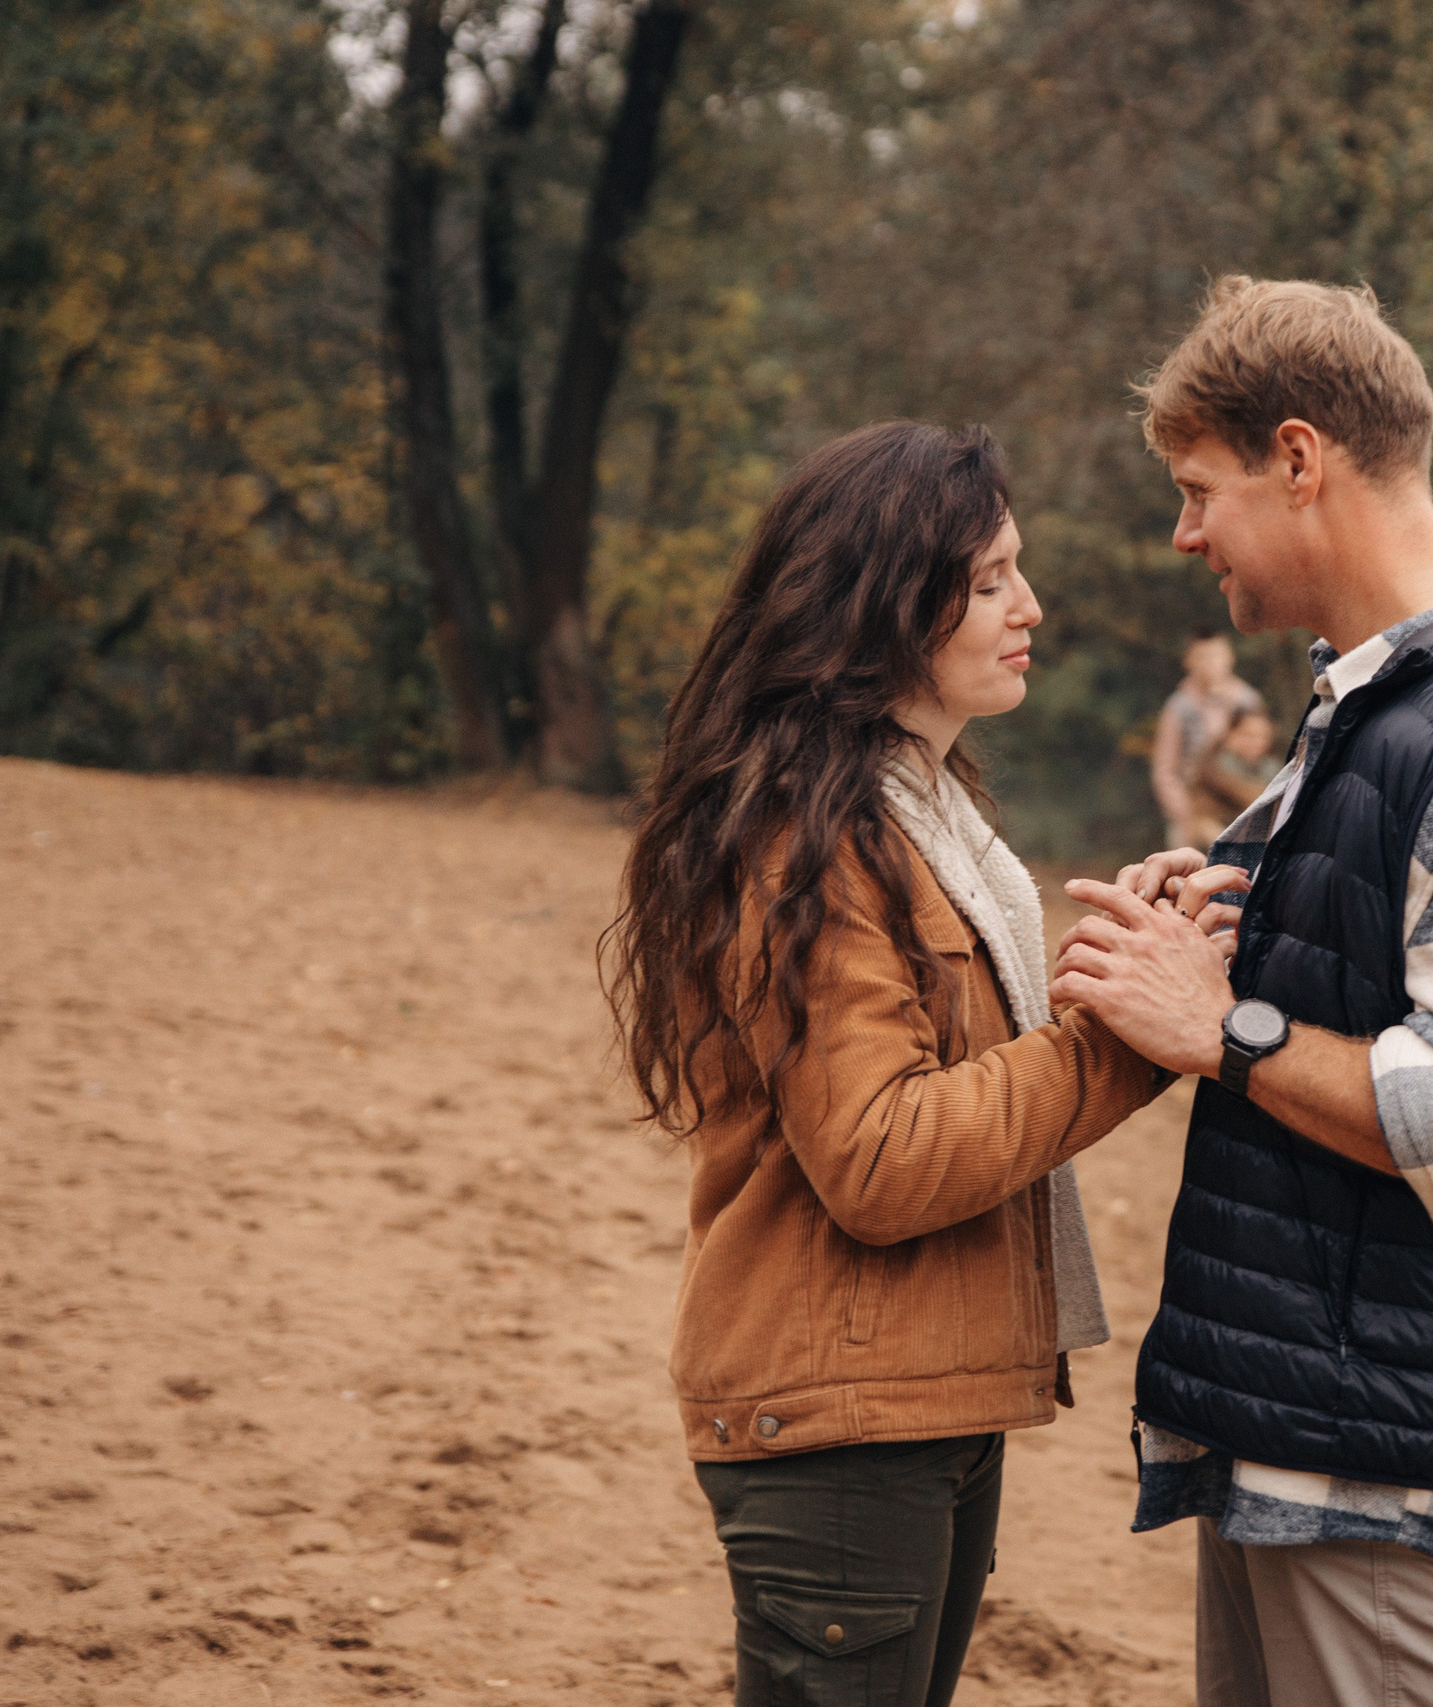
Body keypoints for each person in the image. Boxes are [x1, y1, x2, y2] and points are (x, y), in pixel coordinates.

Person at [1048, 277, 1433, 1707]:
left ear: (1302, 460)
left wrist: (1227, 1027)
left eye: (1202, 488)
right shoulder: (1382, 708)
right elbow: (1398, 975)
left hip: (1388, 1461)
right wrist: (1237, 915)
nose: (1184, 530)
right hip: (1324, 1422)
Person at [604, 421, 1168, 1707]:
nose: (1028, 606)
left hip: (918, 1395)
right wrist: (1126, 1032)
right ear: (878, 604)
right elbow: (879, 1158)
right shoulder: (814, 837)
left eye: (1015, 570)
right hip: (838, 1422)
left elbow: (961, 1046)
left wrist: (1122, 954)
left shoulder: (919, 807)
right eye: (986, 582)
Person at [1151, 631, 1266, 850]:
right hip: (1195, 804)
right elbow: (1165, 770)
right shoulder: (1179, 707)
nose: (1210, 663)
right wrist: (1186, 814)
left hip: (1243, 800)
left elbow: (1262, 753)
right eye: (1202, 657)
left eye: (1216, 655)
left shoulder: (1248, 700)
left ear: (1230, 657)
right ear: (1188, 661)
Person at [1190, 706, 1278, 835]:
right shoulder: (1215, 769)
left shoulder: (1270, 767)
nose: (1257, 743)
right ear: (1230, 735)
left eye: (1263, 736)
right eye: (1248, 735)